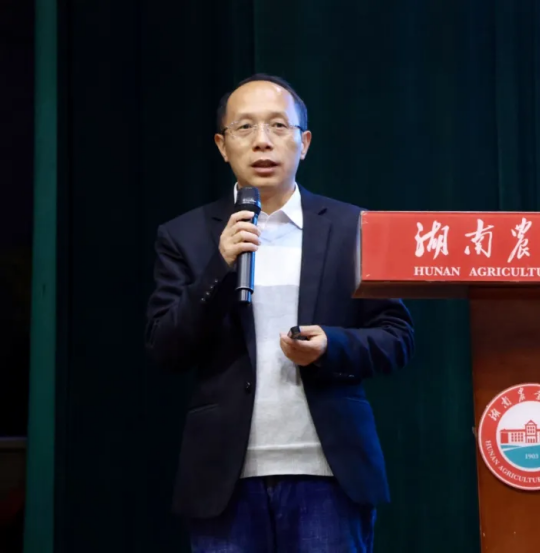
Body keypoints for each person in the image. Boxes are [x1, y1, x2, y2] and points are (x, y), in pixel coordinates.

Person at [144, 73, 415, 552]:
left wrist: (332, 346)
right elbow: (166, 346)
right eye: (244, 127)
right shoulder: (184, 236)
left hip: (328, 473)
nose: (262, 141)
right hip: (223, 478)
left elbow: (397, 336)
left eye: (278, 126)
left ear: (304, 143)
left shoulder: (352, 226)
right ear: (222, 146)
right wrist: (218, 267)